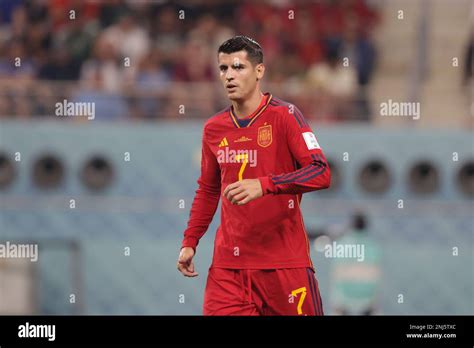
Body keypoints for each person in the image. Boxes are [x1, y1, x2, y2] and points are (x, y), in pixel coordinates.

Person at [177, 36, 331, 315]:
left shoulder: (286, 116)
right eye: (223, 69)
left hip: (283, 265)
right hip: (228, 270)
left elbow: (321, 172)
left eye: (238, 67)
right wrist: (190, 241)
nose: (229, 76)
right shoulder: (214, 128)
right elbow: (209, 190)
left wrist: (266, 184)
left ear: (259, 71)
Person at [330, 213, 382, 315]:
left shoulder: (342, 244)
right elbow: (376, 277)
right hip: (367, 303)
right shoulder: (373, 246)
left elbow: (336, 276)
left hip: (344, 303)